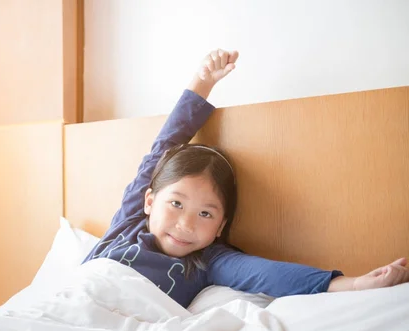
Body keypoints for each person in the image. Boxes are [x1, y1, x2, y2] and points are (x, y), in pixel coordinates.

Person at [81, 49, 409, 308]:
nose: (185, 224)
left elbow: (265, 274)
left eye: (205, 213)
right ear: (150, 200)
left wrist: (354, 284)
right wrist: (203, 81)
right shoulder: (130, 220)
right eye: (176, 203)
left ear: (221, 226)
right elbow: (163, 147)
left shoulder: (208, 262)